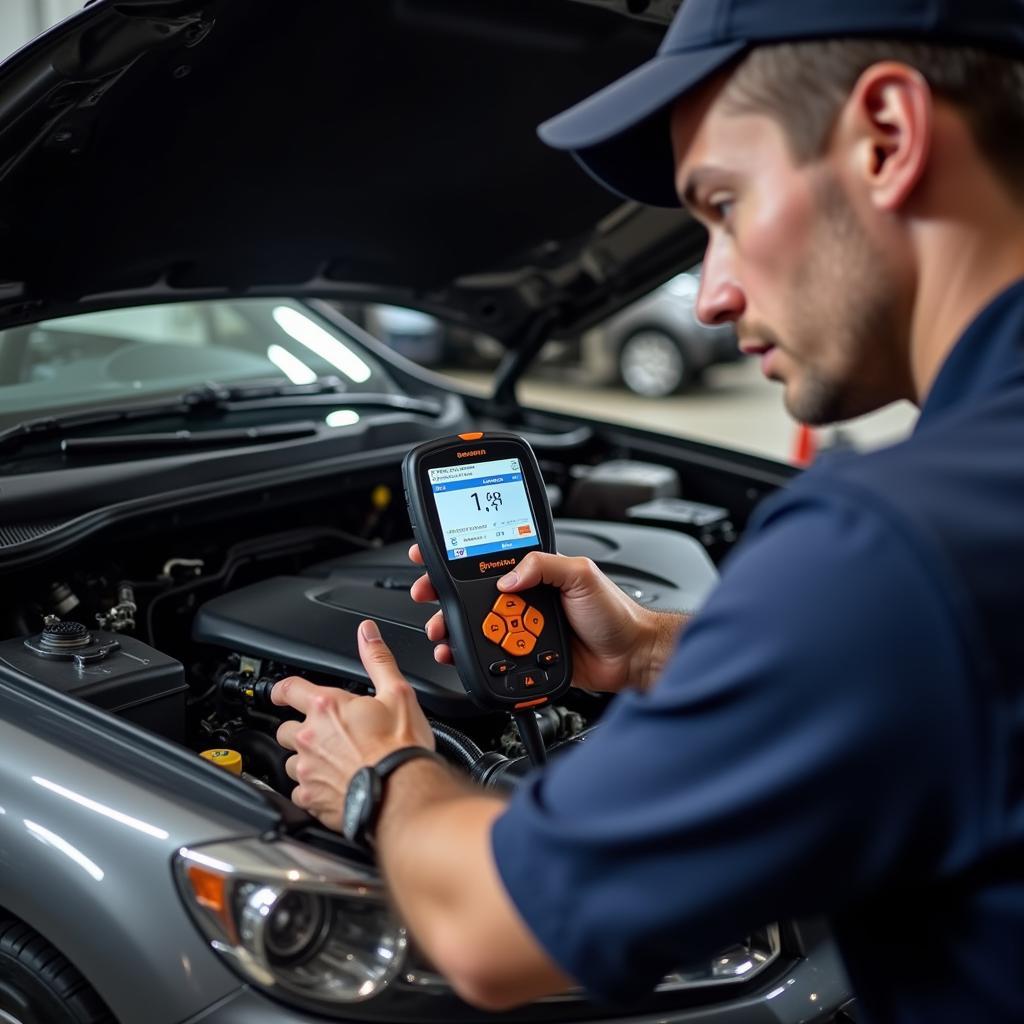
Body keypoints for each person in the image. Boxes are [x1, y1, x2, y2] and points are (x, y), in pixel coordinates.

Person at [271, 0, 1024, 1019]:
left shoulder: (888, 546)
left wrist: (380, 773)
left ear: (886, 137)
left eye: (722, 205)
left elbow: (495, 931)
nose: (709, 294)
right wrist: (659, 653)